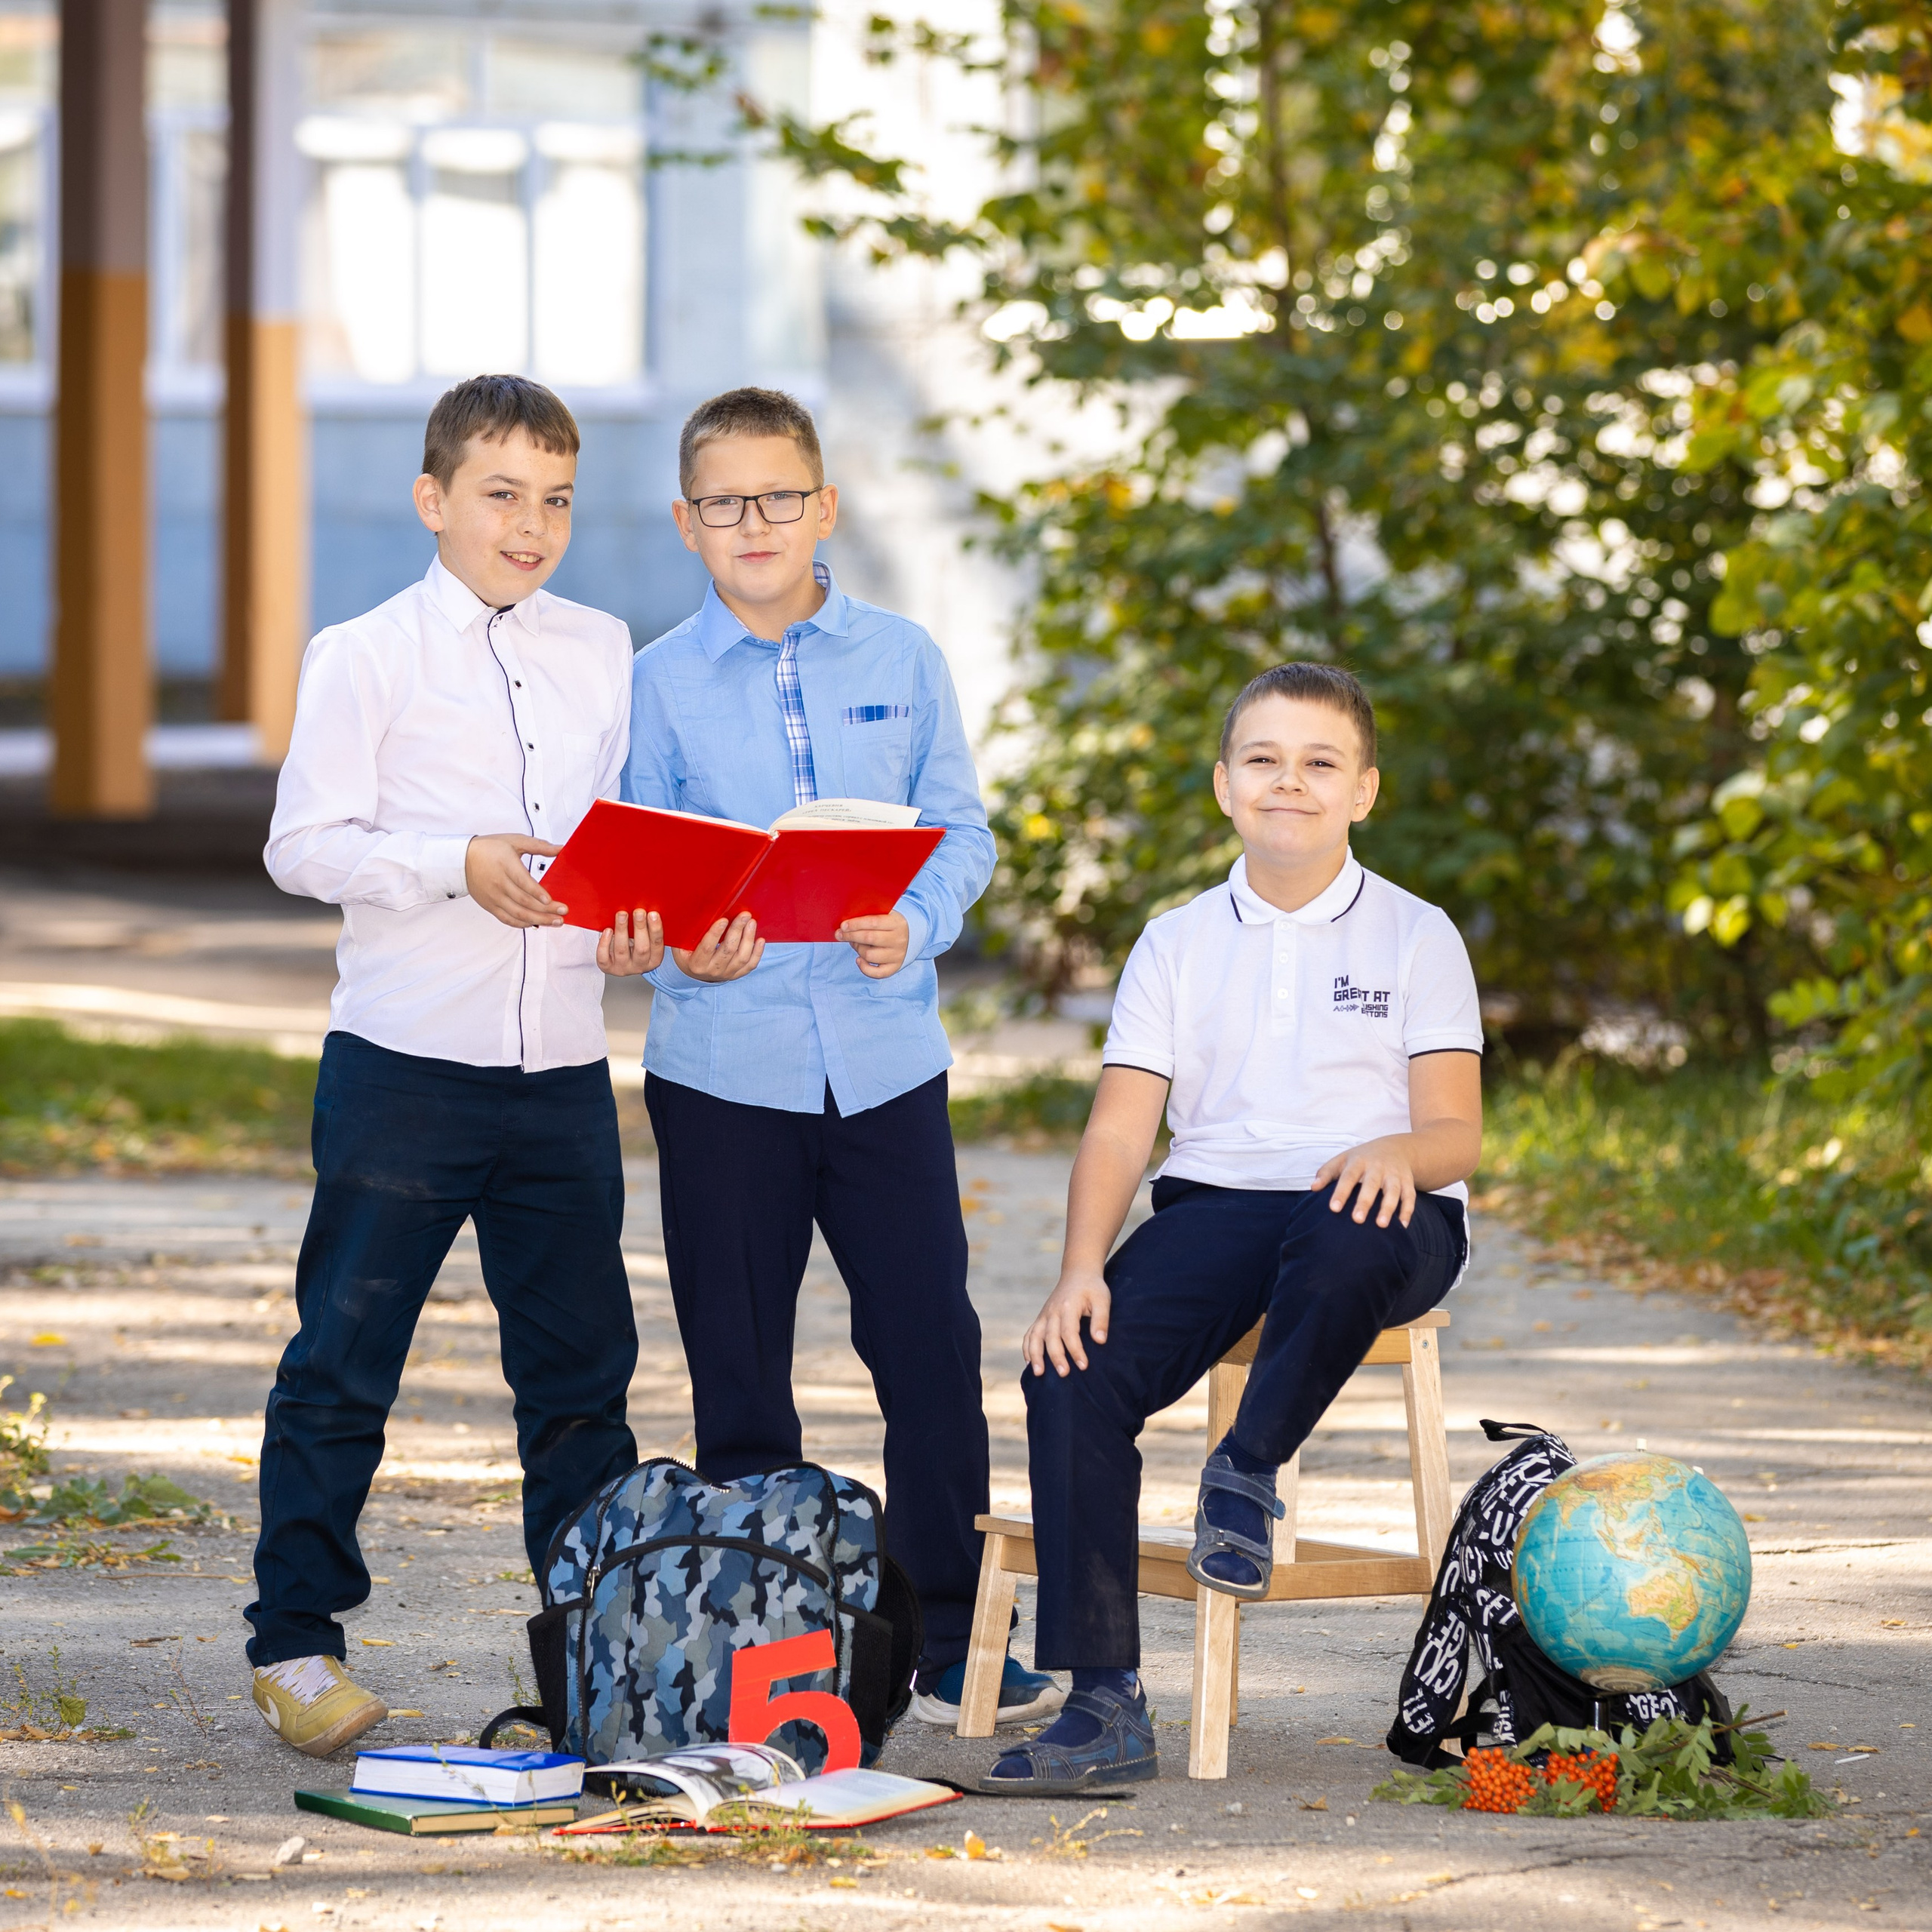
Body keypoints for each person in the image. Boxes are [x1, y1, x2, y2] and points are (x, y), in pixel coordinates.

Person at [622, 386, 1060, 1727]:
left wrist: (918, 918)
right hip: (722, 1069)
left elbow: (963, 832)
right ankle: (774, 1644)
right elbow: (639, 870)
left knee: (928, 1345)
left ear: (825, 506)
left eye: (777, 497)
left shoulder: (907, 658)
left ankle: (948, 1646)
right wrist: (682, 940)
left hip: (883, 1061)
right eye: (723, 503)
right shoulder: (657, 679)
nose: (752, 524)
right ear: (689, 522)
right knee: (738, 1359)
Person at [248, 374, 663, 1756]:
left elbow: (613, 846)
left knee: (581, 1378)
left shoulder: (606, 646)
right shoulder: (361, 654)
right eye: (500, 494)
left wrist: (631, 922)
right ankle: (297, 1643)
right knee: (343, 1360)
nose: (530, 524)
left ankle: (590, 1653)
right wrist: (454, 867)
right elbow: (303, 846)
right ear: (433, 500)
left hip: (561, 1079)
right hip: (403, 1068)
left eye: (554, 499)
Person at [987, 662, 1484, 1791]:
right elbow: (1120, 1136)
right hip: (1218, 1206)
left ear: (1364, 790)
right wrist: (1078, 1270)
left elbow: (1456, 1134)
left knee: (1344, 1228)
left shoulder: (1417, 934)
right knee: (1070, 1370)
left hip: (1387, 1215)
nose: (1289, 783)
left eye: (1320, 763)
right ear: (1224, 786)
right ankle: (1104, 1704)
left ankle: (1245, 1470)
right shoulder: (1176, 940)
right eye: (1263, 760)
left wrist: (1396, 1152)